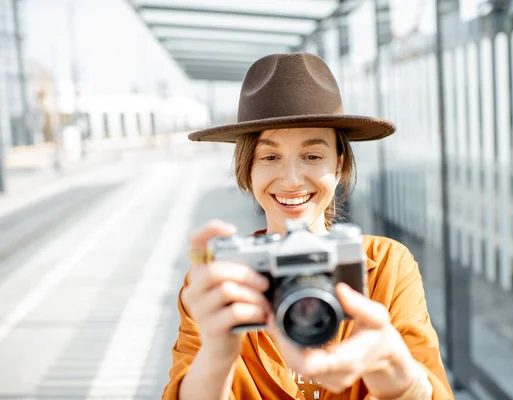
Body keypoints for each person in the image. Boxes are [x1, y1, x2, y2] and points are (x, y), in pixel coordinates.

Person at [162, 52, 453, 400]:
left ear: (339, 164)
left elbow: (433, 386)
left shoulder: (386, 267)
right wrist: (216, 357)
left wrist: (396, 376)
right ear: (247, 169)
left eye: (313, 156)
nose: (291, 179)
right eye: (270, 157)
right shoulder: (225, 280)